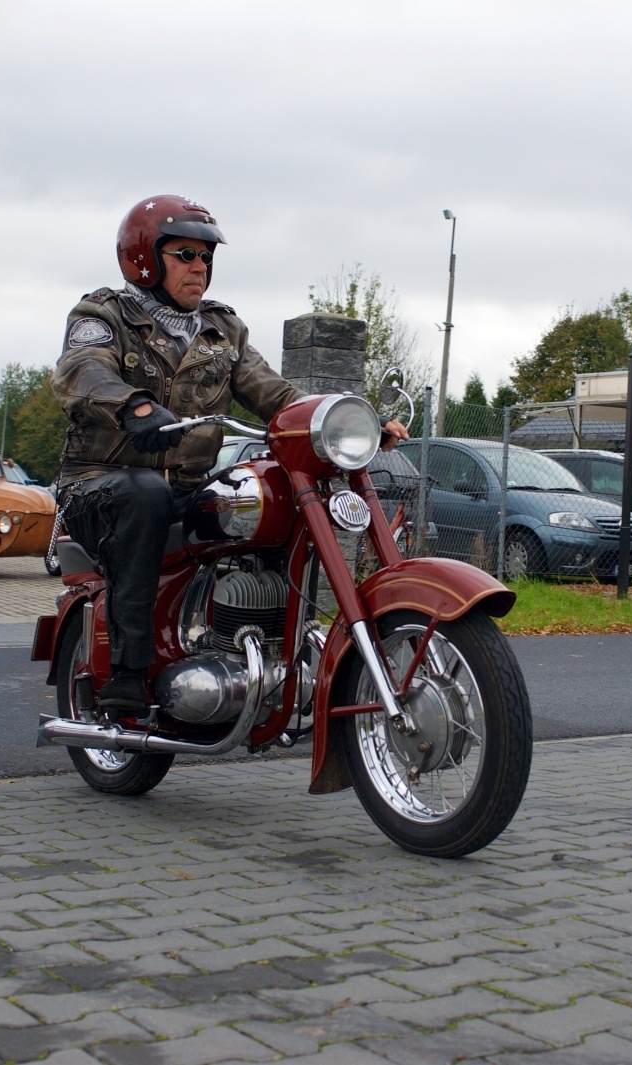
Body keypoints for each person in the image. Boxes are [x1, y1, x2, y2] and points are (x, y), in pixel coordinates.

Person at [52, 194, 408, 717]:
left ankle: (254, 644)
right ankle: (128, 673)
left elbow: (277, 396)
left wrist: (352, 425)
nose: (200, 267)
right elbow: (82, 370)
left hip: (186, 489)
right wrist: (133, 405)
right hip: (99, 486)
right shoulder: (103, 313)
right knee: (144, 493)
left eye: (206, 257)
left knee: (261, 495)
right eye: (184, 255)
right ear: (145, 259)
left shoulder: (223, 330)